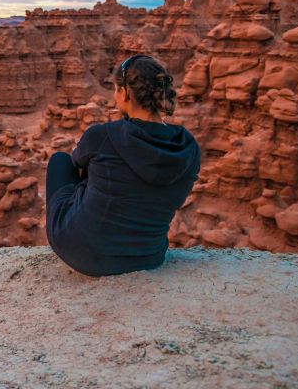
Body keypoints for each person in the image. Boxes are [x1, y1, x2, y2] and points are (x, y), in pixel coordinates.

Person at [45, 53, 201, 276]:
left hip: (84, 254)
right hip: (148, 257)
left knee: (60, 161)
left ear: (125, 93)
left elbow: (76, 163)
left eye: (115, 89)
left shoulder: (103, 135)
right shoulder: (188, 148)